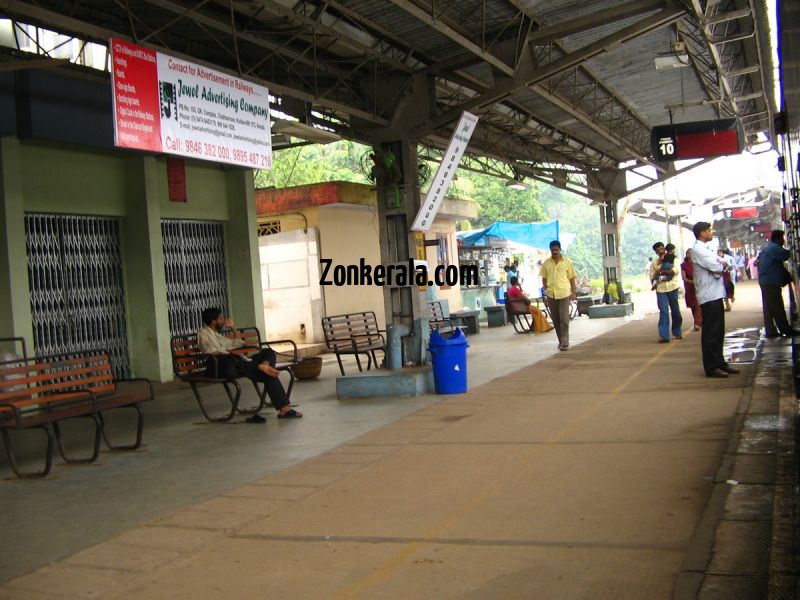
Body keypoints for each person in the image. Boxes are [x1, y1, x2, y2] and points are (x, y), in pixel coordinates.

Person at [198, 307, 302, 420]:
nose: (223, 321)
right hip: (217, 366)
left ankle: (265, 365)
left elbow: (237, 343)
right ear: (213, 321)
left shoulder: (217, 335)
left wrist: (233, 328)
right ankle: (284, 408)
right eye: (221, 318)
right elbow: (209, 350)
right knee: (240, 361)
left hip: (232, 363)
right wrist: (229, 355)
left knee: (268, 352)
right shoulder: (203, 333)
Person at [690, 222, 739, 378]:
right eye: (709, 231)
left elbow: (723, 262)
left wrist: (722, 264)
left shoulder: (706, 249)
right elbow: (717, 266)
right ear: (702, 233)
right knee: (711, 332)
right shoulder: (697, 250)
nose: (712, 233)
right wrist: (722, 265)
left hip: (715, 294)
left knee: (718, 331)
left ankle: (720, 363)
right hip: (708, 295)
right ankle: (711, 367)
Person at [756, 230, 800, 338]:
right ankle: (785, 329)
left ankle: (770, 330)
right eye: (782, 238)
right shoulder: (774, 248)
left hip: (766, 281)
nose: (784, 240)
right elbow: (786, 255)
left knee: (769, 307)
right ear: (778, 238)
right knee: (777, 306)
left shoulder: (769, 247)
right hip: (770, 282)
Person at [540, 240, 577, 350]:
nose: (554, 252)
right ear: (550, 250)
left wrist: (573, 292)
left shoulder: (567, 262)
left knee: (564, 318)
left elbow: (572, 278)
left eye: (556, 250)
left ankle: (565, 342)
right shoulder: (546, 263)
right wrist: (546, 290)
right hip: (551, 294)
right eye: (552, 250)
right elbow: (544, 278)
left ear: (560, 249)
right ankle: (561, 341)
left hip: (564, 293)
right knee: (556, 319)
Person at [650, 241, 683, 343]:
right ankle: (664, 336)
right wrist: (657, 276)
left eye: (661, 249)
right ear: (655, 252)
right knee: (663, 311)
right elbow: (652, 276)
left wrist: (661, 272)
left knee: (675, 311)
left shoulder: (674, 258)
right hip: (661, 289)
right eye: (657, 250)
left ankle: (677, 331)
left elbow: (675, 270)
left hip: (673, 287)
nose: (660, 251)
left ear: (664, 249)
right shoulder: (654, 263)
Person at [681, 250, 702, 331]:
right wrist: (691, 282)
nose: (690, 254)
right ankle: (698, 321)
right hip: (689, 287)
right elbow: (684, 277)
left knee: (698, 305)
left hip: (699, 286)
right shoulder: (683, 265)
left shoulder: (698, 264)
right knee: (693, 305)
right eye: (688, 253)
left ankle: (697, 323)